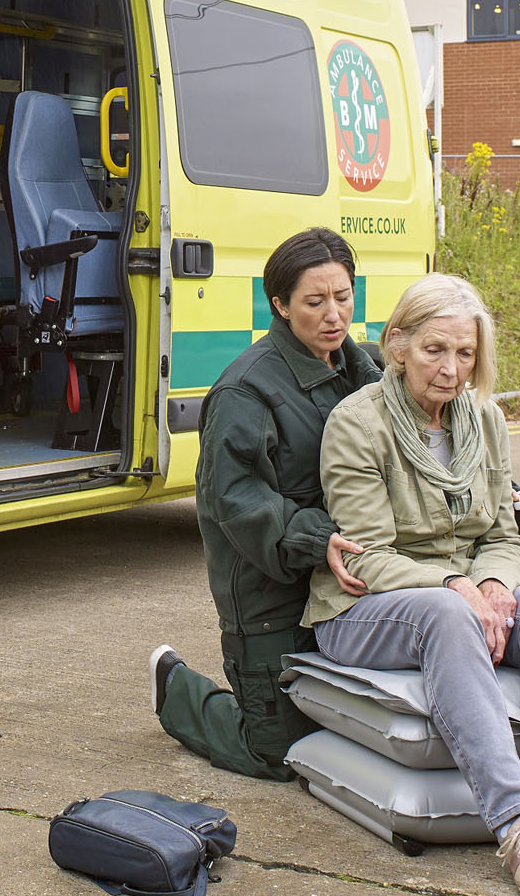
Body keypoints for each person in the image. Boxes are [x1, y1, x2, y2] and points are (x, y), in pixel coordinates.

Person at [310, 273, 520, 896]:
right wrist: (459, 585)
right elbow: (369, 556)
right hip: (363, 606)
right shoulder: (356, 423)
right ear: (398, 344)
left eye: (465, 354)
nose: (451, 369)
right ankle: (516, 826)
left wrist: (494, 583)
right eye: (436, 350)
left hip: (458, 592)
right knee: (445, 614)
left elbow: (499, 529)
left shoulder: (485, 419)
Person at [152, 228, 382, 780]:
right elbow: (236, 501)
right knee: (280, 754)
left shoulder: (367, 372)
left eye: (343, 296)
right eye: (315, 301)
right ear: (279, 305)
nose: (334, 315)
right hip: (269, 585)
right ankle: (176, 689)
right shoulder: (245, 392)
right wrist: (316, 538)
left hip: (353, 571)